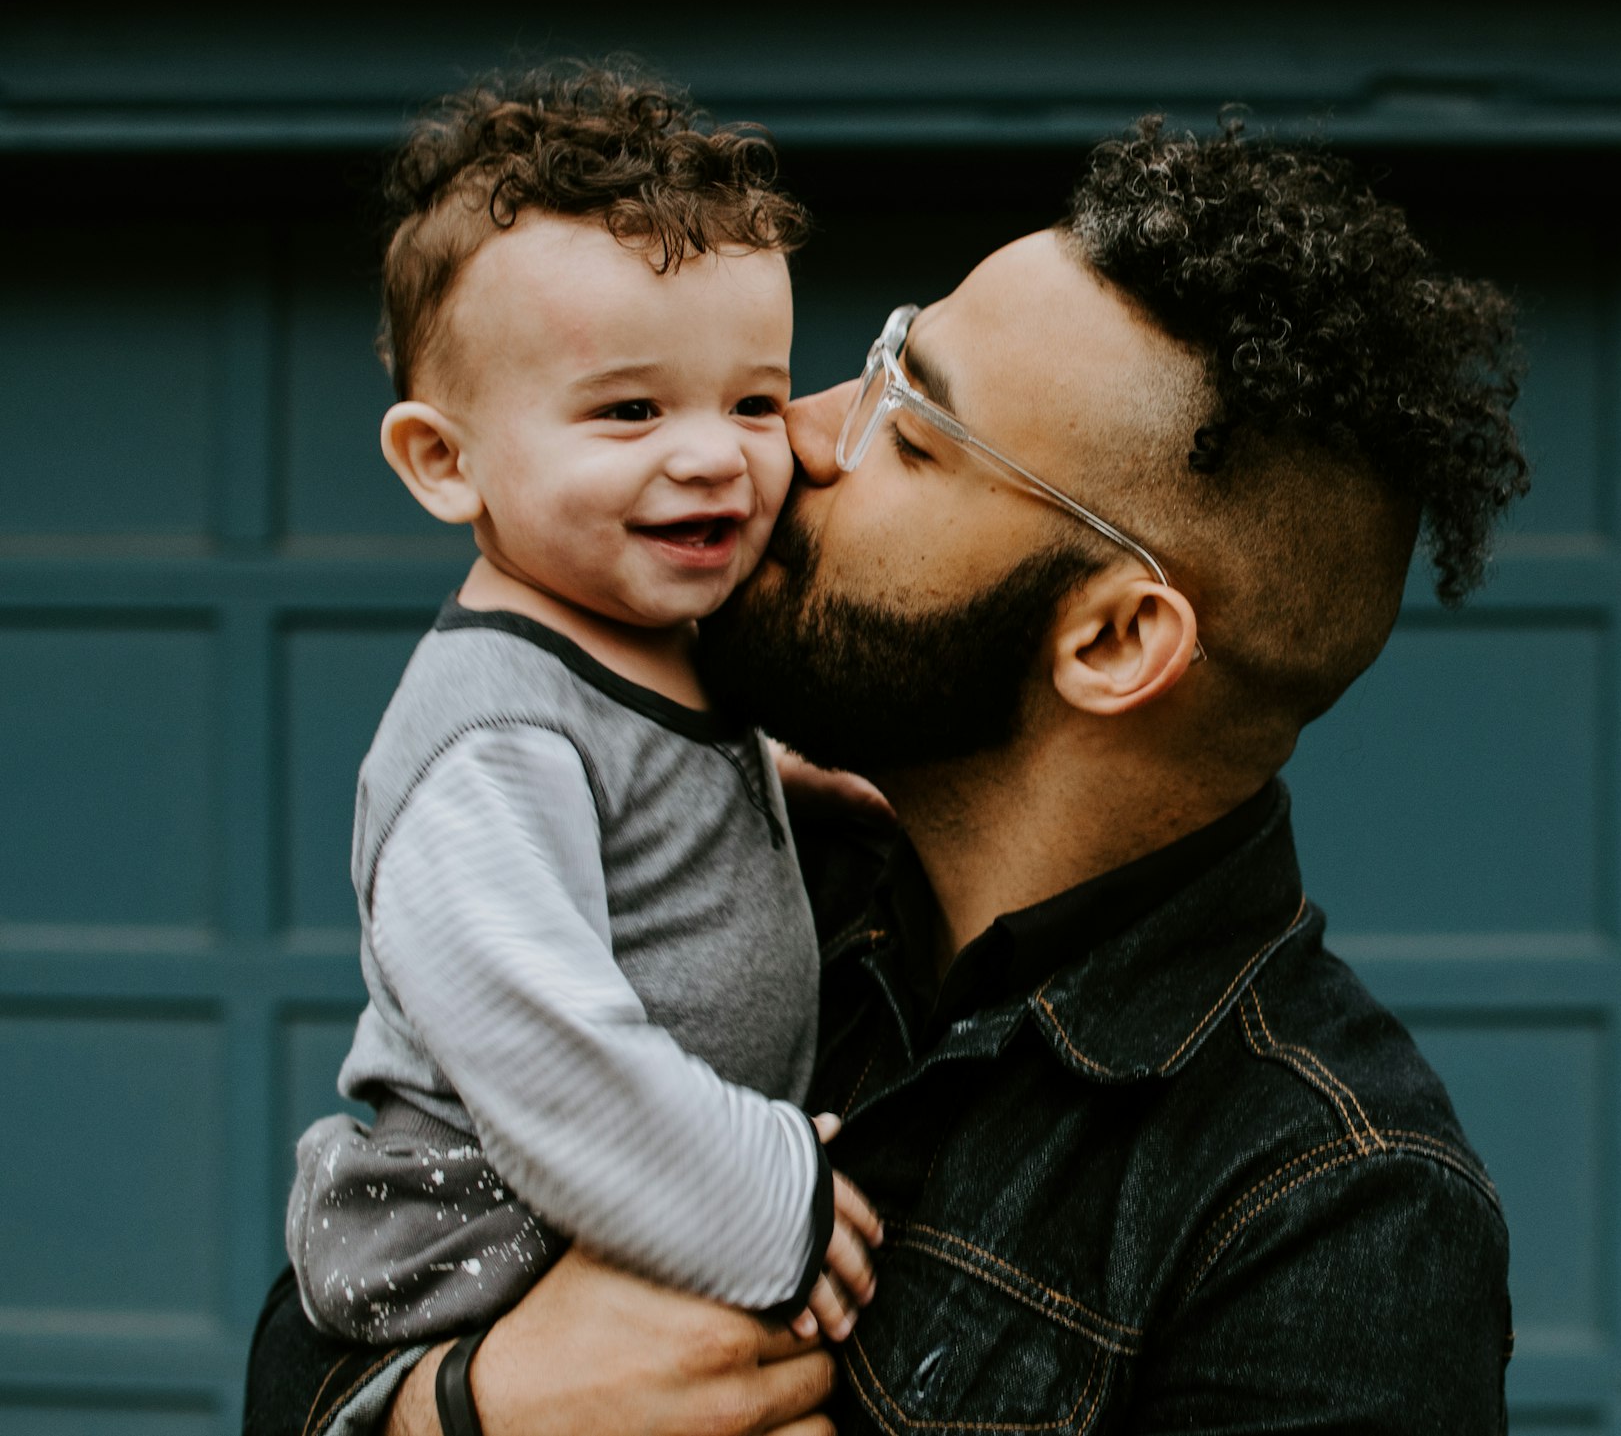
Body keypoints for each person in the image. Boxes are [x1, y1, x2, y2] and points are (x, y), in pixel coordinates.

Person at [246, 110, 1530, 1436]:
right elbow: (320, 1321)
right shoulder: (737, 868)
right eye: (870, 371)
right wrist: (465, 1411)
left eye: (909, 433)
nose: (788, 439)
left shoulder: (1330, 1209)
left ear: (1113, 637)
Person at [280, 62, 879, 1355]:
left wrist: (779, 778)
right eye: (629, 409)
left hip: (616, 1206)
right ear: (446, 462)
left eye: (755, 401)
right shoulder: (490, 740)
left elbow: (647, 784)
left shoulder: (653, 639)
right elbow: (547, 1048)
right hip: (479, 1237)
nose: (714, 452)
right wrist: (770, 1200)